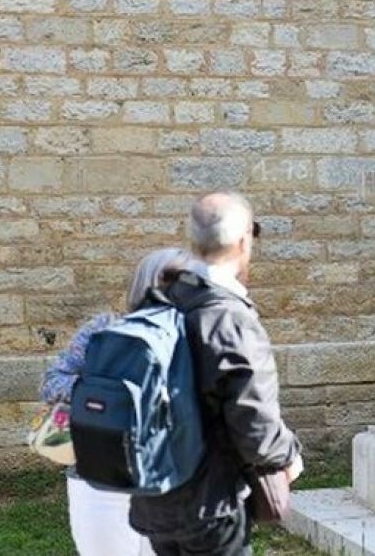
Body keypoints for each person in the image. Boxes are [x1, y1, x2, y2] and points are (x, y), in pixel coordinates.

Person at [129, 192, 303, 556]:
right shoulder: (230, 319)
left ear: (192, 241)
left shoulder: (159, 301)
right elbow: (255, 423)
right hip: (210, 505)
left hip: (156, 496)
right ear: (243, 242)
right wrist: (288, 456)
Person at [39, 247, 190, 556]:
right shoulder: (103, 331)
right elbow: (52, 383)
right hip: (99, 484)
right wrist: (108, 395)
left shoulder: (199, 336)